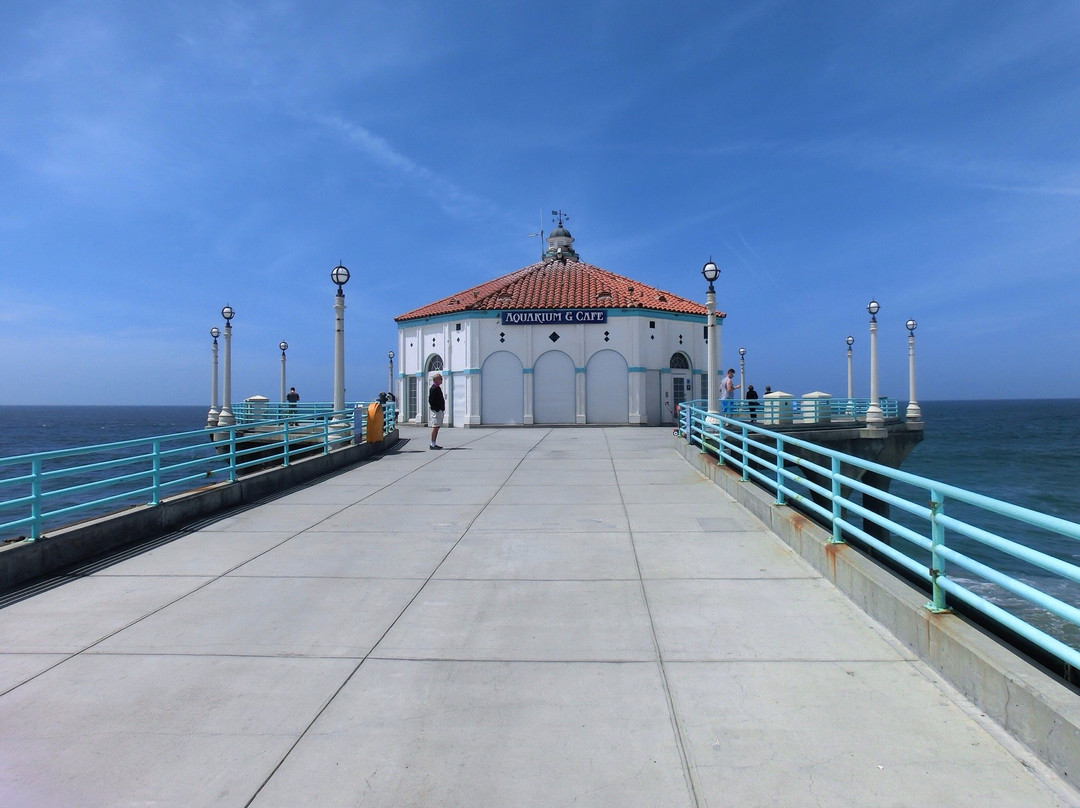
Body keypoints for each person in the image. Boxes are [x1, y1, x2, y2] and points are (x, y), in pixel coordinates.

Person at [428, 373, 445, 450]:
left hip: (439, 410)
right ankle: (432, 443)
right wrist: (436, 409)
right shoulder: (433, 388)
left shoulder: (437, 388)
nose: (442, 379)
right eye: (440, 378)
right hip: (436, 411)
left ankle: (434, 443)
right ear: (436, 380)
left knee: (437, 427)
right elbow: (431, 400)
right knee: (435, 427)